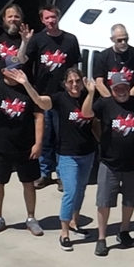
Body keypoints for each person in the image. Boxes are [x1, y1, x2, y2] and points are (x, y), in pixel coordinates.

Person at [0, 51, 49, 236]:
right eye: (12, 70)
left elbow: (39, 116)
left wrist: (38, 143)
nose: (16, 73)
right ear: (4, 71)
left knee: (28, 183)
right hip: (1, 145)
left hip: (25, 146)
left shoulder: (29, 89)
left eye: (19, 69)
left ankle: (31, 218)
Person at [81, 72, 134, 257]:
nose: (121, 91)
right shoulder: (105, 104)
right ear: (112, 89)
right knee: (104, 202)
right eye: (117, 88)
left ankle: (124, 231)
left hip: (133, 163)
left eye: (124, 87)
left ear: (129, 88)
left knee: (129, 201)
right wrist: (91, 93)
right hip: (109, 163)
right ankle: (101, 238)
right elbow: (87, 114)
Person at [19, 5, 81, 189]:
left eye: (53, 17)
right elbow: (21, 60)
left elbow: (75, 68)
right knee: (44, 138)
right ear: (42, 20)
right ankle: (44, 174)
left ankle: (62, 175)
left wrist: (76, 90)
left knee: (62, 139)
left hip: (64, 99)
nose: (51, 21)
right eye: (47, 18)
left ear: (58, 17)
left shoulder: (70, 40)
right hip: (43, 97)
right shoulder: (37, 40)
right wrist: (24, 42)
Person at [48, 68, 96, 251]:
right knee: (71, 191)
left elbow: (88, 114)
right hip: (67, 154)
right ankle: (64, 232)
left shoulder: (90, 97)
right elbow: (40, 101)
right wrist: (26, 84)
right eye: (70, 82)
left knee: (81, 189)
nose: (74, 84)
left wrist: (91, 93)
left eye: (77, 81)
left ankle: (75, 222)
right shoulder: (60, 99)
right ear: (65, 84)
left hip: (87, 152)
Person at [93, 23, 134, 98]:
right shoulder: (103, 56)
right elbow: (99, 83)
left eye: (125, 39)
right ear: (112, 39)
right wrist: (110, 100)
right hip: (109, 97)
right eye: (119, 40)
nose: (123, 43)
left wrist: (127, 98)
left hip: (130, 97)